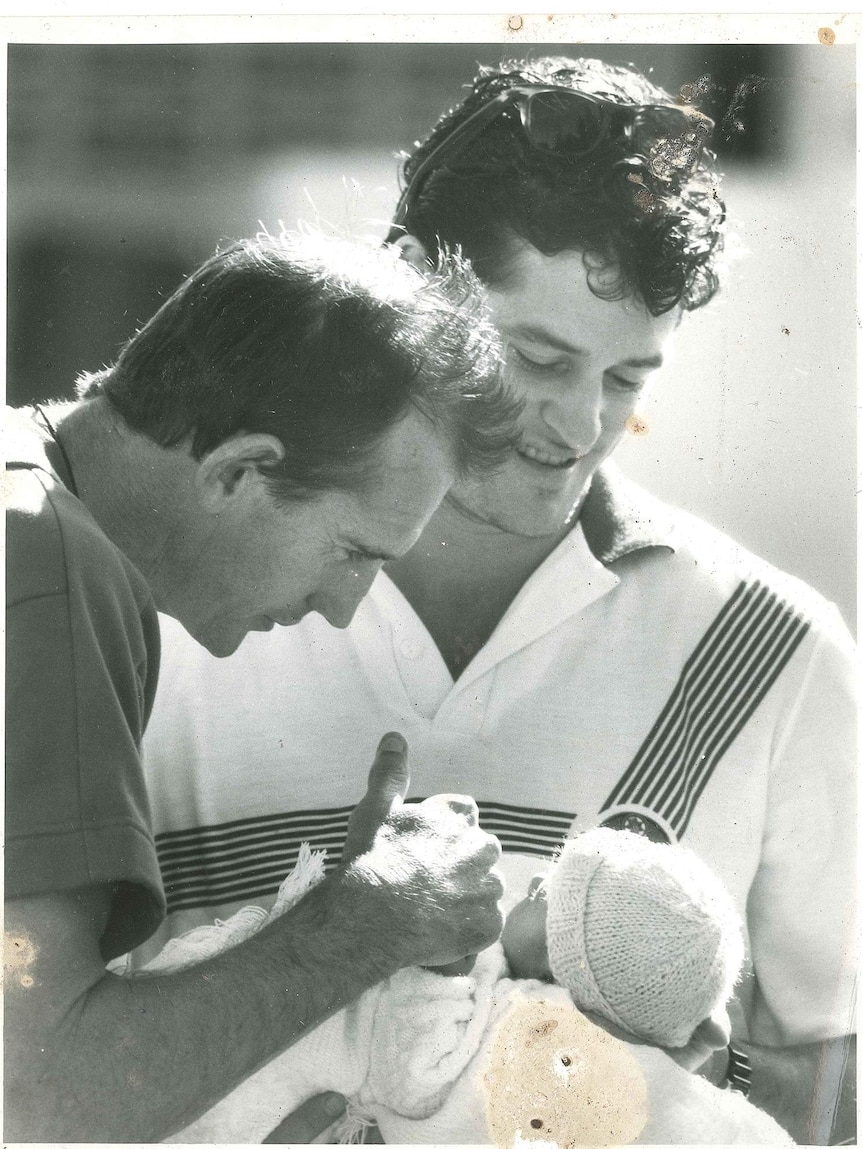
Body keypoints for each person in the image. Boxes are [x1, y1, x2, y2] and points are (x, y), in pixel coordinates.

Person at [138, 58, 857, 1142]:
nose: (576, 428)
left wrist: (642, 1069)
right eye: (537, 357)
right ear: (414, 277)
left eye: (626, 380)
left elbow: (829, 1098)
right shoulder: (174, 618)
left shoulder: (774, 649)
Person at [5, 228, 520, 1142]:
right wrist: (377, 913)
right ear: (236, 469)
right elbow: (40, 1097)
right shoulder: (48, 564)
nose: (344, 606)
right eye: (353, 551)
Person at [129, 829, 791, 1144]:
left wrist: (447, 960)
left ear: (569, 972)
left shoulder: (519, 1020)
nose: (534, 881)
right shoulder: (532, 988)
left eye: (553, 894)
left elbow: (414, 1073)